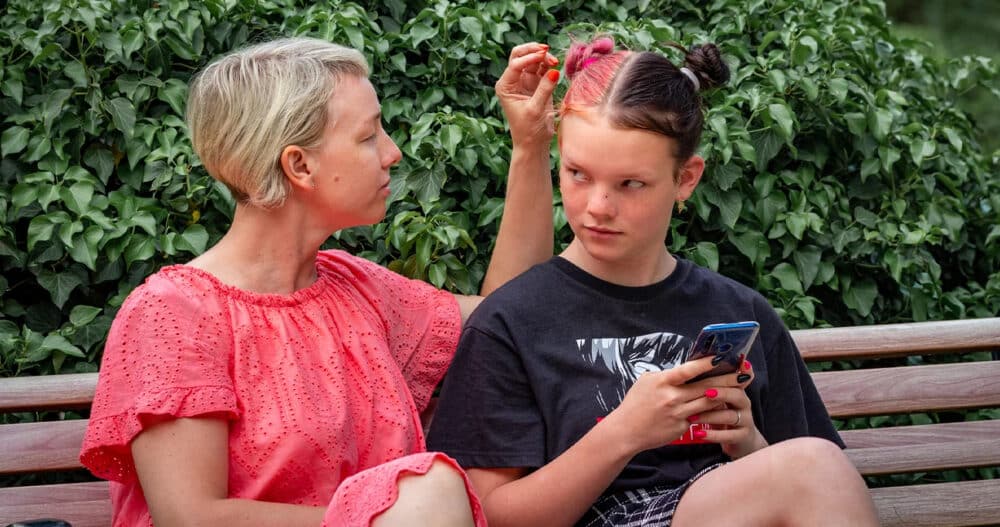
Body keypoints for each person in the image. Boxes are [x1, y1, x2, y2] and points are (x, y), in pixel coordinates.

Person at [78, 36, 561, 527]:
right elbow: (192, 518)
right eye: (369, 136)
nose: (392, 153)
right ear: (299, 165)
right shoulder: (174, 313)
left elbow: (507, 316)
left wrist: (530, 146)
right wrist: (398, 517)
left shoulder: (353, 286)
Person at [426, 36, 880, 527]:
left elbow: (808, 485)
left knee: (812, 466)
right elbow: (485, 516)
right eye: (578, 174)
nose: (598, 206)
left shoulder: (739, 311)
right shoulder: (510, 322)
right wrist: (625, 431)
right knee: (811, 468)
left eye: (630, 184)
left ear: (686, 179)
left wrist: (745, 440)